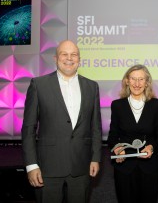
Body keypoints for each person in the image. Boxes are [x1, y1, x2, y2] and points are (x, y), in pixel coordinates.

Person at [21, 40, 102, 203]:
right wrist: (31, 165)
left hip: (81, 166)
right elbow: (28, 128)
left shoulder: (92, 87)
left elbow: (96, 128)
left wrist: (96, 158)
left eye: (74, 54)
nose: (69, 58)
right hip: (47, 168)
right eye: (64, 54)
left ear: (79, 59)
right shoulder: (39, 84)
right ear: (55, 58)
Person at [107, 64, 158, 203]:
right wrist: (117, 149)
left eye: (141, 79)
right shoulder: (117, 105)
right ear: (127, 80)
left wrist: (152, 147)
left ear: (147, 82)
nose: (137, 84)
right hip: (124, 166)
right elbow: (112, 136)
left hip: (149, 166)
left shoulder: (157, 105)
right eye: (133, 79)